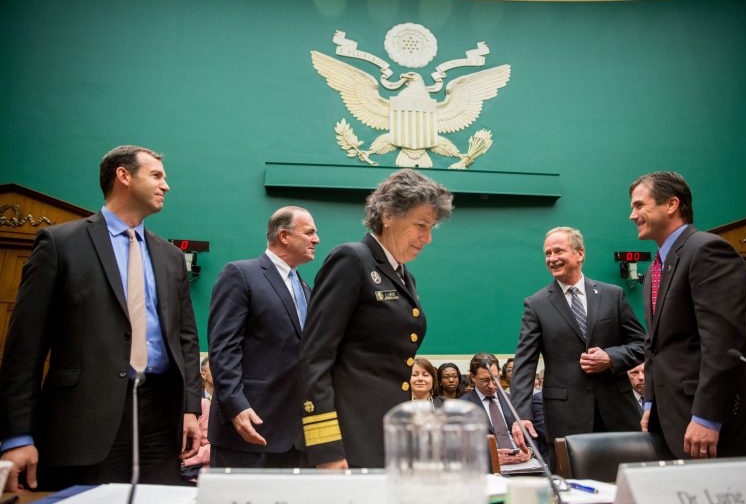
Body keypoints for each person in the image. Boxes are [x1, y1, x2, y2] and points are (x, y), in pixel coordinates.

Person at [0, 145, 202, 492]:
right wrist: (17, 435)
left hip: (159, 418)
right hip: (82, 420)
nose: (165, 186)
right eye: (156, 175)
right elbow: (24, 348)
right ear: (123, 176)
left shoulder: (170, 257)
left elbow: (185, 338)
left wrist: (189, 409)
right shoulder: (61, 244)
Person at [300, 169, 453, 469]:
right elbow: (314, 358)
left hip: (383, 433)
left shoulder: (404, 275)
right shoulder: (352, 259)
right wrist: (326, 448)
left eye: (431, 227)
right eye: (421, 225)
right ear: (387, 214)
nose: (428, 238)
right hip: (347, 436)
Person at [629, 171, 746, 459]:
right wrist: (650, 404)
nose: (633, 215)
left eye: (640, 205)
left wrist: (707, 417)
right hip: (672, 418)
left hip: (712, 423)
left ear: (671, 204)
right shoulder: (656, 269)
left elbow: (724, 345)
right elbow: (654, 345)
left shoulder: (707, 250)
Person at [509, 226, 645, 455]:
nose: (552, 259)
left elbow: (642, 344)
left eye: (558, 251)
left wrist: (611, 358)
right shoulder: (536, 304)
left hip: (617, 413)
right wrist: (520, 415)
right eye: (547, 253)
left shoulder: (613, 295)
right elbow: (525, 362)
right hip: (566, 417)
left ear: (580, 253)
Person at [207, 206, 319, 468]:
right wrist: (235, 405)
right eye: (310, 232)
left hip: (296, 436)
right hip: (248, 426)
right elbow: (224, 347)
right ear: (284, 236)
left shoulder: (305, 288)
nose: (317, 240)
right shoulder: (240, 274)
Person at [460, 354, 533, 466]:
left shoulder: (513, 401)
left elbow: (533, 436)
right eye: (485, 380)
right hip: (487, 467)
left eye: (495, 379)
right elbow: (461, 447)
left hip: (523, 463)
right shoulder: (463, 406)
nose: (491, 386)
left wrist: (530, 452)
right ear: (473, 377)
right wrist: (491, 458)